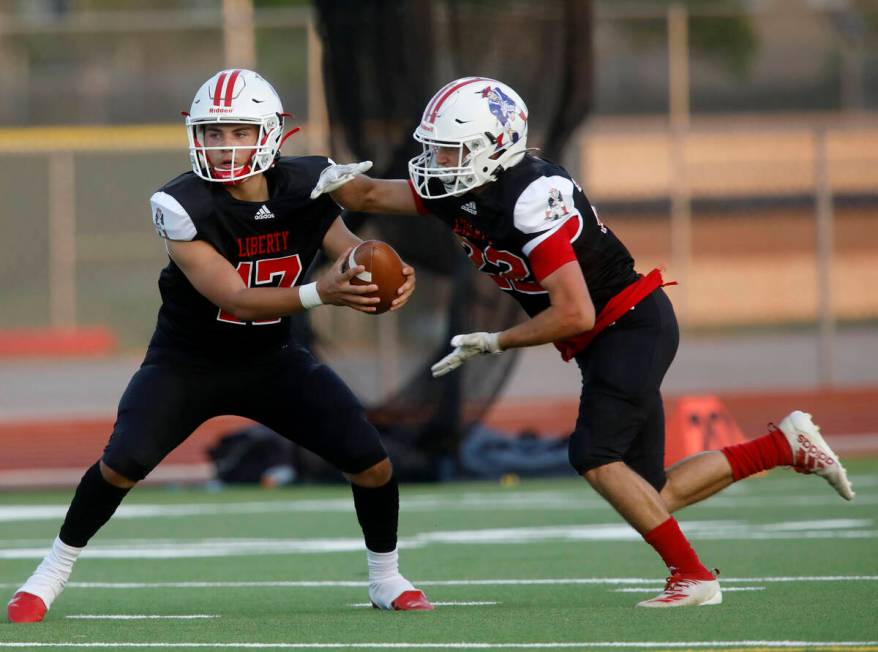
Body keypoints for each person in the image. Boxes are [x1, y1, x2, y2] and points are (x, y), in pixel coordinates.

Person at [309, 76, 856, 607]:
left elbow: (574, 311)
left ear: (494, 149)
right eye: (436, 150)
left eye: (452, 152)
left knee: (594, 455)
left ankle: (692, 576)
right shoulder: (462, 186)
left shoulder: (529, 196)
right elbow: (365, 193)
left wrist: (496, 341)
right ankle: (783, 446)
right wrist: (286, 167)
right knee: (652, 493)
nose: (437, 164)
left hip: (629, 325)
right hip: (608, 337)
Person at [6, 69, 433, 624]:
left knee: (372, 462)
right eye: (212, 133)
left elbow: (350, 248)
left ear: (273, 135)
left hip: (272, 361)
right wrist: (321, 293)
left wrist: (382, 271)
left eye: (236, 132)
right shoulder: (181, 203)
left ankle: (386, 577)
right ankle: (50, 572)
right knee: (122, 464)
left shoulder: (308, 185)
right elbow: (235, 294)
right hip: (188, 363)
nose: (223, 146)